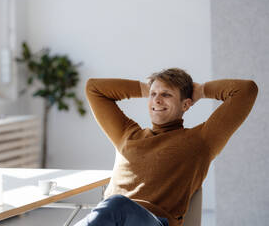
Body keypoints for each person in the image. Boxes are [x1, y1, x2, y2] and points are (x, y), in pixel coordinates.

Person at [75, 68, 258, 226]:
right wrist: (151, 87)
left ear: (186, 104)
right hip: (111, 218)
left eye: (166, 95)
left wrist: (200, 91)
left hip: (153, 221)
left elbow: (246, 90)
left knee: (116, 205)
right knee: (112, 207)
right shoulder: (127, 134)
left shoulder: (201, 140)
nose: (157, 100)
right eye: (153, 95)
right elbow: (94, 88)